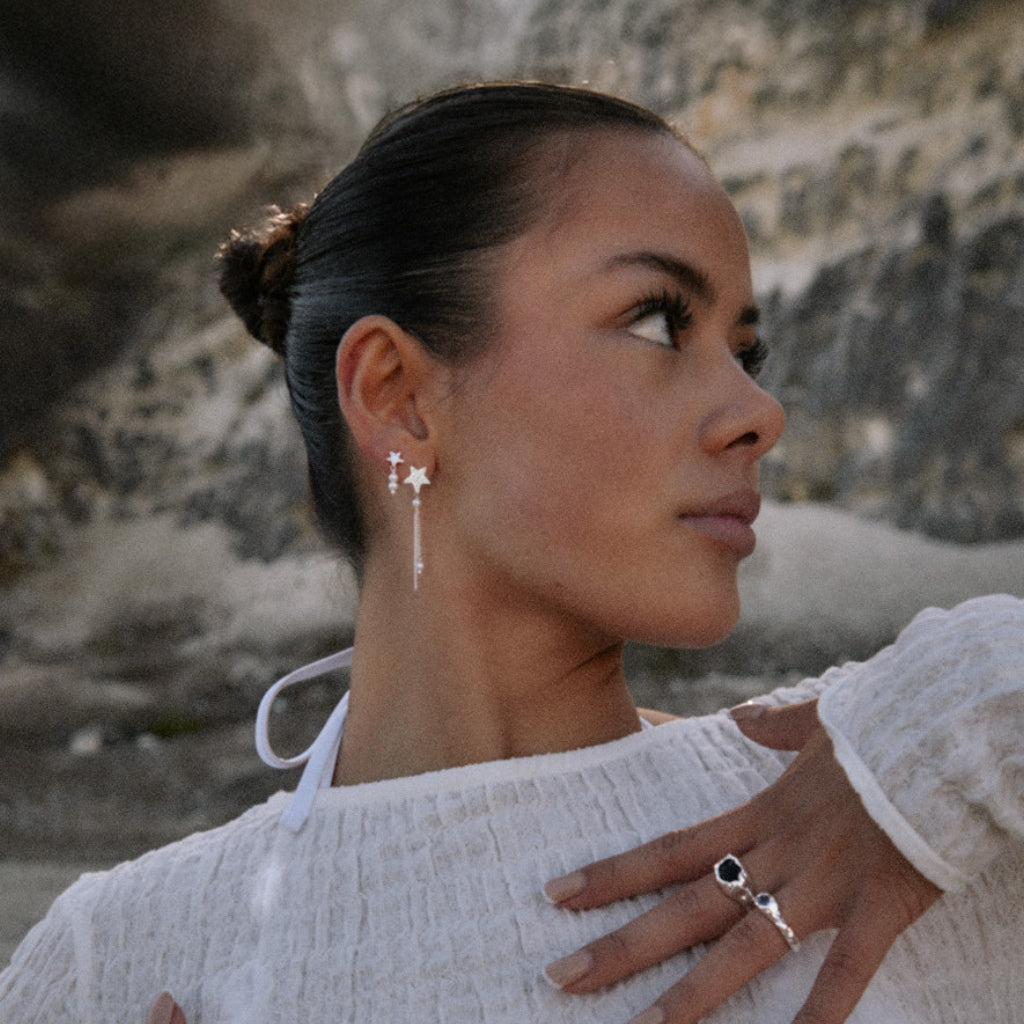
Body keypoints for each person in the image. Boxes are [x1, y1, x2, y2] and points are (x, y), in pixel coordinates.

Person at [1, 81, 1021, 1024]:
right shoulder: (115, 956)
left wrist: (952, 728)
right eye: (659, 322)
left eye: (745, 351)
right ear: (398, 397)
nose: (761, 410)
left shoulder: (878, 800)